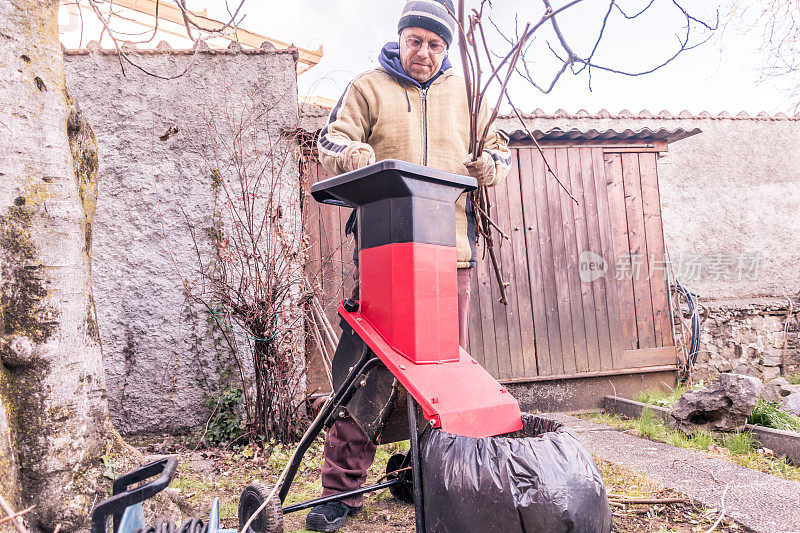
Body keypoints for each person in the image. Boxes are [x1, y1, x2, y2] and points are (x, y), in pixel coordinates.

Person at [307, 1, 511, 530]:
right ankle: (342, 489)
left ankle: (431, 474)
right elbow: (330, 139)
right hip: (384, 256)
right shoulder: (368, 86)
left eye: (435, 44)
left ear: (447, 48)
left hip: (451, 255)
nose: (423, 52)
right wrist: (352, 152)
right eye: (415, 40)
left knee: (443, 375)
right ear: (401, 39)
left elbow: (501, 148)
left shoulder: (470, 96)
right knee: (366, 371)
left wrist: (491, 166)